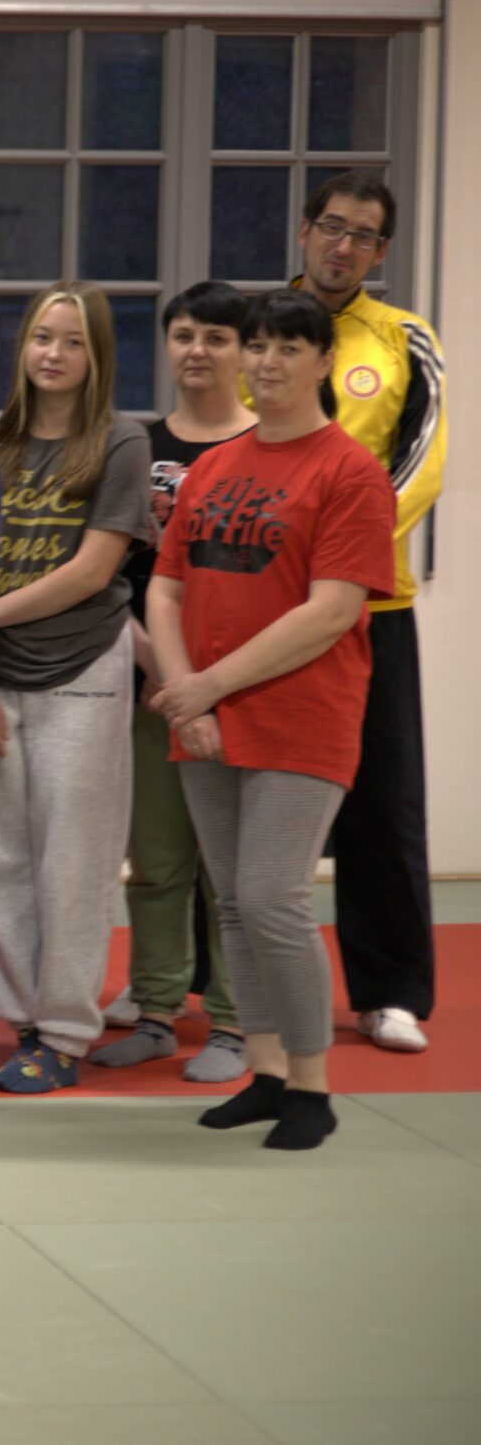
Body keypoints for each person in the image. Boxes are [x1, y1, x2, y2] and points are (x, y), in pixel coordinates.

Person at [148, 290, 400, 1150]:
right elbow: (167, 586)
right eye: (257, 346)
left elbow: (331, 611)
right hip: (204, 712)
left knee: (272, 898)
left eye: (290, 348)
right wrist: (185, 691)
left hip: (302, 715)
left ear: (324, 363)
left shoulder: (350, 472)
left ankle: (312, 1086)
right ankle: (265, 1073)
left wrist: (207, 686)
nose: (267, 361)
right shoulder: (216, 467)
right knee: (233, 904)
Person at [0, 284, 150, 1093]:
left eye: (73, 341)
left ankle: (66, 1032)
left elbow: (93, 571)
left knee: (73, 862)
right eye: (43, 337)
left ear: (96, 353)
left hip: (82, 668)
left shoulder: (120, 441)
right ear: (22, 346)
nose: (54, 354)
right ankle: (25, 1020)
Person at [286, 172, 448, 1053]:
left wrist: (337, 557)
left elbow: (420, 463)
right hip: (264, 606)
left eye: (362, 236)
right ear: (305, 230)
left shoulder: (404, 338)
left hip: (370, 603)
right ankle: (212, 990)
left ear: (380, 252)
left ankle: (390, 992)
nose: (342, 246)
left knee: (382, 802)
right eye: (332, 227)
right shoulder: (259, 326)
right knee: (238, 798)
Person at [93, 281, 254, 1079]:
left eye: (217, 338)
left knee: (232, 872)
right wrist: (161, 668)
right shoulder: (138, 445)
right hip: (153, 684)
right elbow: (112, 574)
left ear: (245, 352)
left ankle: (233, 1021)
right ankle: (157, 1009)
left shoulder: (267, 446)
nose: (198, 350)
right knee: (157, 863)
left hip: (242, 691)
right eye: (185, 335)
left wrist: (212, 683)